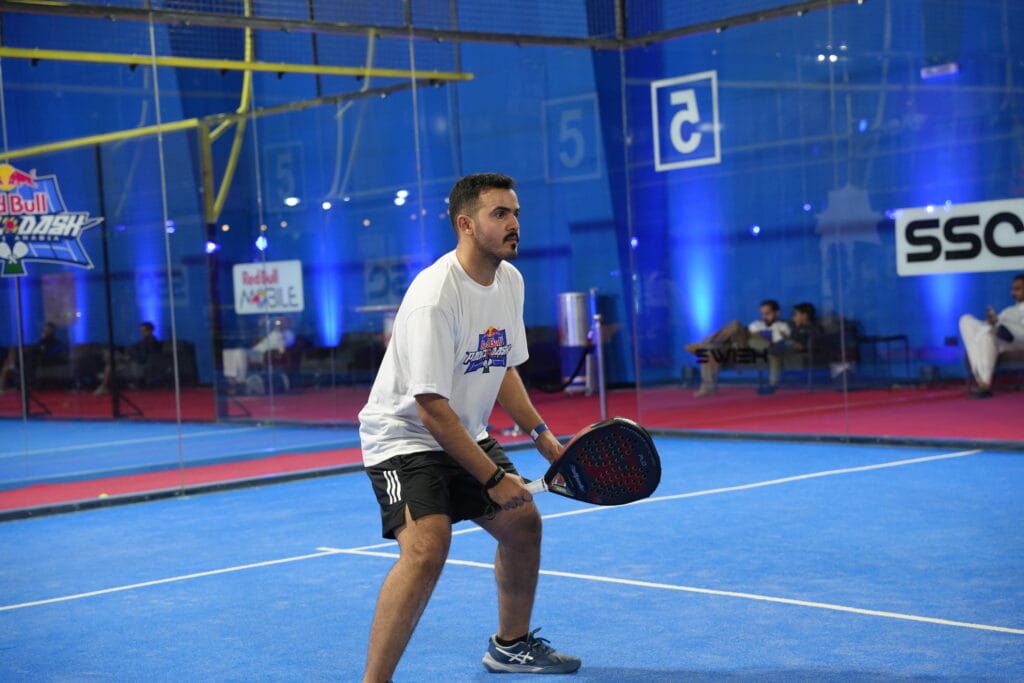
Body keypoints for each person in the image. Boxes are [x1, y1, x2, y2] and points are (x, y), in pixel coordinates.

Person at [357, 173, 580, 682]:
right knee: (427, 547)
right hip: (404, 438)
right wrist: (493, 479)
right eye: (500, 214)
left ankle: (511, 646)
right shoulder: (435, 296)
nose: (514, 224)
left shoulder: (511, 282)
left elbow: (502, 367)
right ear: (466, 224)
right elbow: (431, 407)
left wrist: (543, 438)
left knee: (523, 526)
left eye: (516, 213)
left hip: (464, 431)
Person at [685, 299, 791, 397]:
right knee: (711, 350)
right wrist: (752, 333)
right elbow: (746, 333)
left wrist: (758, 335)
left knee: (735, 324)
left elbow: (778, 342)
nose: (764, 317)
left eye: (767, 314)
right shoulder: (757, 324)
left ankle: (701, 345)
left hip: (748, 348)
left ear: (777, 313)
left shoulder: (782, 326)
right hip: (737, 344)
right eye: (762, 314)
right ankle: (709, 388)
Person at [958, 273, 1024, 398]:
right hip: (1000, 338)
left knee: (987, 334)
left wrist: (1000, 328)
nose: (1013, 293)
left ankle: (984, 384)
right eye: (1013, 289)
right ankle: (982, 381)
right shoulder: (1010, 310)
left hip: (1016, 341)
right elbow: (995, 323)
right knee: (965, 320)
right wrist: (993, 321)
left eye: (1018, 289)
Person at [93, 321, 163, 395]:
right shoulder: (142, 342)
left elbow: (146, 356)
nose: (142, 333)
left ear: (150, 331)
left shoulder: (152, 342)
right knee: (109, 356)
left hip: (137, 363)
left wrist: (131, 356)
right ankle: (104, 381)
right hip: (130, 360)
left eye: (144, 331)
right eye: (141, 331)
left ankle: (104, 386)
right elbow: (133, 348)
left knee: (109, 366)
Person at [0, 321, 67, 392]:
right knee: (27, 358)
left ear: (53, 330)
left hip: (52, 360)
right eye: (45, 329)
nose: (46, 331)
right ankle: (20, 375)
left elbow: (53, 353)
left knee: (31, 360)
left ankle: (26, 381)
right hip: (39, 360)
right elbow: (37, 348)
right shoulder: (42, 341)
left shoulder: (57, 343)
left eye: (48, 329)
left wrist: (43, 352)